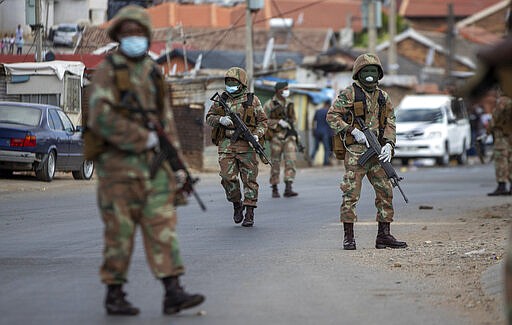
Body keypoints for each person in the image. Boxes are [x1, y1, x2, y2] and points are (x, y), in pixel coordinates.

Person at [87, 5, 204, 316]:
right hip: (118, 171)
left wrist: (179, 168)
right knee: (119, 235)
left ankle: (173, 291)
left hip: (154, 169)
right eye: (127, 34)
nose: (134, 38)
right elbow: (100, 118)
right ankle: (115, 293)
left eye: (139, 33)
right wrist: (141, 138)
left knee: (163, 226)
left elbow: (166, 126)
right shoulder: (108, 71)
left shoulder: (154, 72)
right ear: (118, 37)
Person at [326, 53, 407, 250]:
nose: (370, 75)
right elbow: (332, 116)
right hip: (356, 151)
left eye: (374, 71)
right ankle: (349, 236)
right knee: (350, 193)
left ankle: (384, 235)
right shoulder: (349, 94)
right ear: (358, 74)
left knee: (386, 191)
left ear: (379, 74)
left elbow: (390, 122)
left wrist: (389, 144)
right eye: (366, 71)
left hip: (378, 150)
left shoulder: (383, 96)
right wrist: (352, 130)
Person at [206, 67, 267, 227]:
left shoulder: (252, 100)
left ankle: (250, 212)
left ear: (242, 83)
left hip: (246, 145)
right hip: (226, 144)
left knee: (250, 180)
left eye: (234, 82)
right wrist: (220, 120)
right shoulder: (222, 99)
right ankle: (236, 203)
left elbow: (263, 121)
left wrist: (257, 135)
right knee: (227, 178)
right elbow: (209, 117)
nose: (230, 85)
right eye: (228, 82)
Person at [263, 81, 299, 198]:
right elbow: (263, 120)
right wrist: (278, 122)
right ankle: (274, 188)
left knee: (291, 161)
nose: (287, 91)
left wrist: (291, 126)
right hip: (276, 137)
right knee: (275, 163)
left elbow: (293, 118)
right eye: (285, 89)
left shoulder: (290, 103)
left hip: (289, 136)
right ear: (278, 90)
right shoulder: (269, 104)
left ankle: (288, 187)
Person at [486, 92, 512, 196]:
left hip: (502, 137)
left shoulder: (503, 101)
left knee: (501, 160)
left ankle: (502, 185)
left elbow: (495, 118)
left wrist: (488, 130)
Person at [311, 99, 334, 166]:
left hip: (317, 131)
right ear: (328, 105)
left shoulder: (318, 111)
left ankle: (311, 158)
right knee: (326, 148)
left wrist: (313, 130)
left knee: (315, 147)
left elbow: (313, 121)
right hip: (325, 132)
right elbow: (331, 123)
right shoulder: (328, 112)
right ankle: (325, 162)